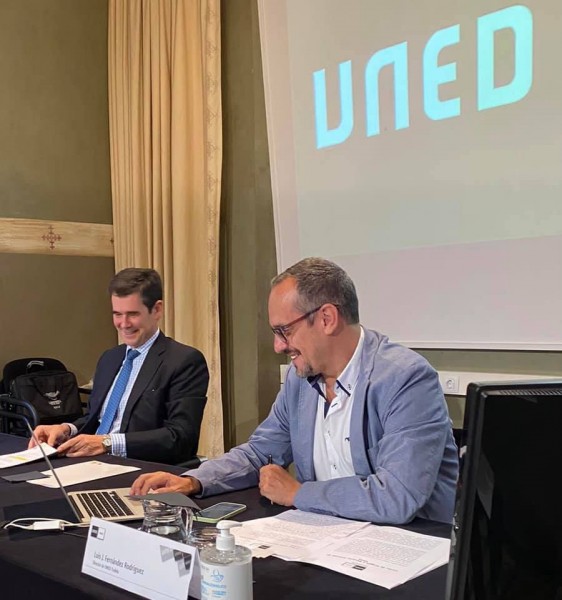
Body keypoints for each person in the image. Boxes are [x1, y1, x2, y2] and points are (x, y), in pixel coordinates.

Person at [132, 258, 458, 524]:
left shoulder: (405, 379)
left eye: (284, 331)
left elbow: (398, 496)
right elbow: (260, 453)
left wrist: (298, 493)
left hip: (409, 549)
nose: (278, 346)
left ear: (327, 318)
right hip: (327, 537)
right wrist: (195, 480)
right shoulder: (299, 380)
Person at [29, 268, 209, 465]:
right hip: (89, 462)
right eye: (117, 314)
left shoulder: (184, 361)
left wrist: (107, 443)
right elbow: (96, 419)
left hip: (139, 468)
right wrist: (66, 429)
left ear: (157, 310)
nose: (124, 324)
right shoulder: (110, 358)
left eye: (132, 314)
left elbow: (181, 438)